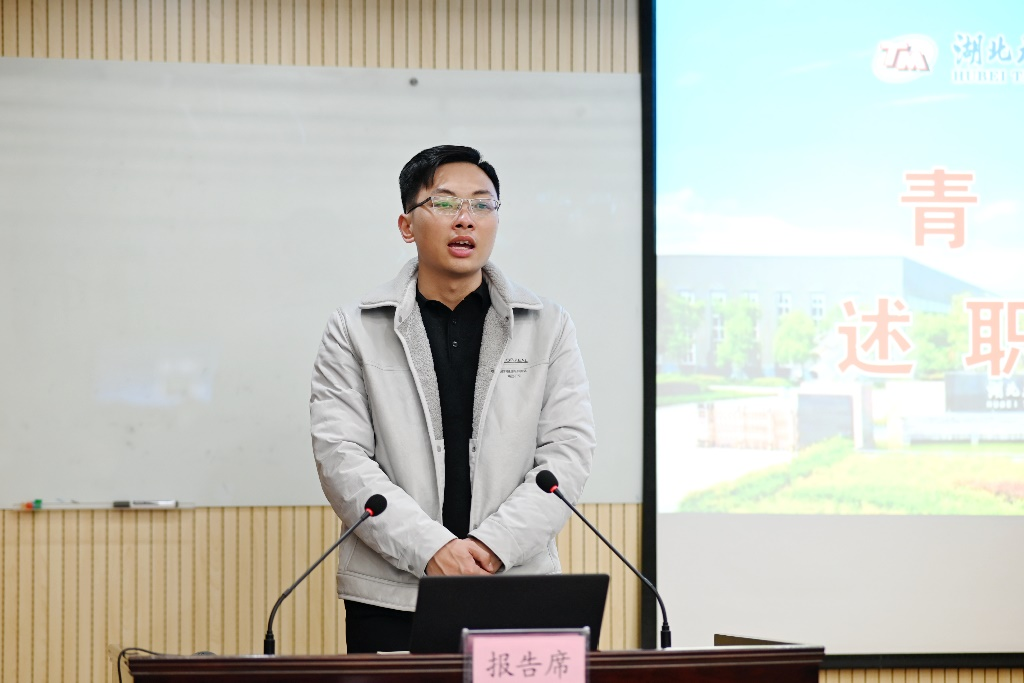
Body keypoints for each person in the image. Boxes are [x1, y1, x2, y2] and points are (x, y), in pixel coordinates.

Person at [310, 144, 596, 654]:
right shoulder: (354, 329)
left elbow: (567, 454)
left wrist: (491, 546)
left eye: (482, 204)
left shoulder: (548, 327)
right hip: (392, 597)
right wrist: (433, 549)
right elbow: (342, 459)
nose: (466, 218)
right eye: (444, 203)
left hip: (516, 584)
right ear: (406, 225)